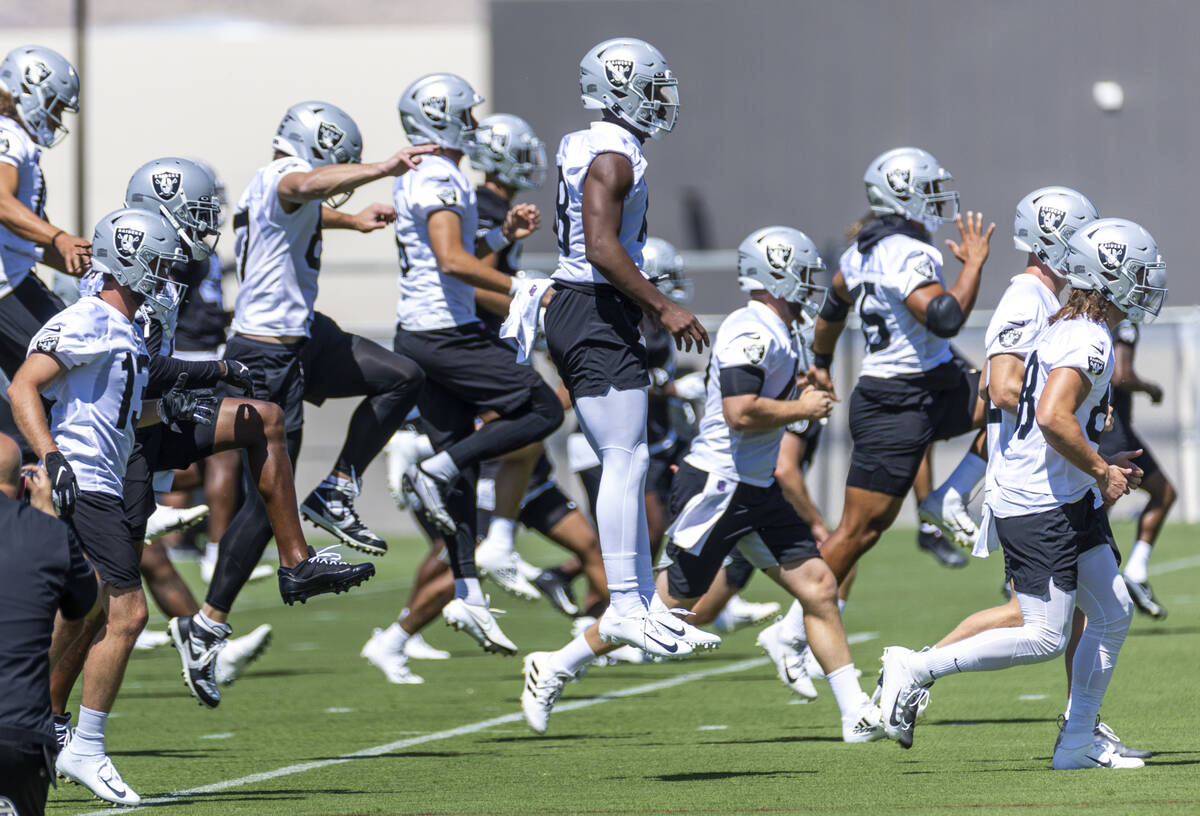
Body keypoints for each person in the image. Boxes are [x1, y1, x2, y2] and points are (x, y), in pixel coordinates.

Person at [521, 228, 882, 742]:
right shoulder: (750, 329)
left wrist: (803, 388)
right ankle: (556, 664)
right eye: (803, 272)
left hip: (754, 488)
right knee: (665, 607)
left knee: (819, 588)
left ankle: (855, 714)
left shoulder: (781, 328)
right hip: (719, 485)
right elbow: (739, 412)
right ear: (777, 274)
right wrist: (801, 407)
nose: (810, 282)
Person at [876, 217, 1165, 771]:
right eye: (1139, 273)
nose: (1147, 285)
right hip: (1039, 503)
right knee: (1043, 637)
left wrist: (1097, 464)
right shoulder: (1086, 335)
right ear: (1109, 276)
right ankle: (917, 668)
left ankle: (1078, 742)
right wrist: (1103, 469)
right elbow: (1052, 416)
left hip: (1063, 495)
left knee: (1113, 611)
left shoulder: (1071, 324)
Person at [7, 208, 197, 805]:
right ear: (133, 258)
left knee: (80, 609)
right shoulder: (87, 319)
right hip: (84, 480)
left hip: (106, 482)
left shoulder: (126, 328)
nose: (166, 277)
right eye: (160, 263)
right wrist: (52, 454)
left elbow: (119, 410)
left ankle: (27, 714)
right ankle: (84, 745)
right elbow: (24, 384)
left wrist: (170, 411)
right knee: (128, 614)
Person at [536, 37, 711, 656]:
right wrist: (660, 304)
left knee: (628, 456)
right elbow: (601, 247)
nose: (663, 101)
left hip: (587, 306)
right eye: (654, 87)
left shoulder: (591, 143)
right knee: (623, 458)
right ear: (622, 87)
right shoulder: (613, 155)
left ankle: (636, 602)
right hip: (592, 306)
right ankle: (624, 606)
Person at [391, 74, 564, 653]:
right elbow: (453, 262)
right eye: (464, 116)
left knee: (461, 470)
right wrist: (527, 288)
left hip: (429, 330)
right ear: (442, 119)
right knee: (541, 409)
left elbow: (465, 255)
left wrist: (502, 235)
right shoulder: (439, 175)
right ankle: (432, 469)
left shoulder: (441, 175)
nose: (473, 127)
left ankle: (466, 591)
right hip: (444, 331)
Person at [806, 147, 993, 590]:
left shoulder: (859, 254)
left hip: (932, 384)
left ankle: (948, 497)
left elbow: (831, 309)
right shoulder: (906, 252)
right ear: (902, 196)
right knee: (860, 531)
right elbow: (944, 316)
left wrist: (821, 361)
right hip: (895, 402)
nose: (935, 200)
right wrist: (973, 266)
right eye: (928, 191)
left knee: (1015, 392)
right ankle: (797, 620)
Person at [0, 433, 97, 816]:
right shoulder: (50, 534)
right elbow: (86, 606)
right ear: (24, 482)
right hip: (19, 732)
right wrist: (47, 518)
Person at [0, 45, 90, 381]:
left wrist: (93, 267)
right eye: (55, 107)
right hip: (8, 287)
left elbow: (25, 239)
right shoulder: (8, 133)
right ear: (29, 91)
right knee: (75, 372)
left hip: (13, 279)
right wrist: (60, 237)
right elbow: (1, 203)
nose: (56, 119)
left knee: (36, 394)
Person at [1101, 318, 1175, 618]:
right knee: (1099, 506)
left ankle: (1135, 571)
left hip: (1101, 426)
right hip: (1113, 430)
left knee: (1161, 493)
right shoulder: (1124, 318)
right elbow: (1121, 375)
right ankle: (1046, 571)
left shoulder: (1093, 314)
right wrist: (1150, 387)